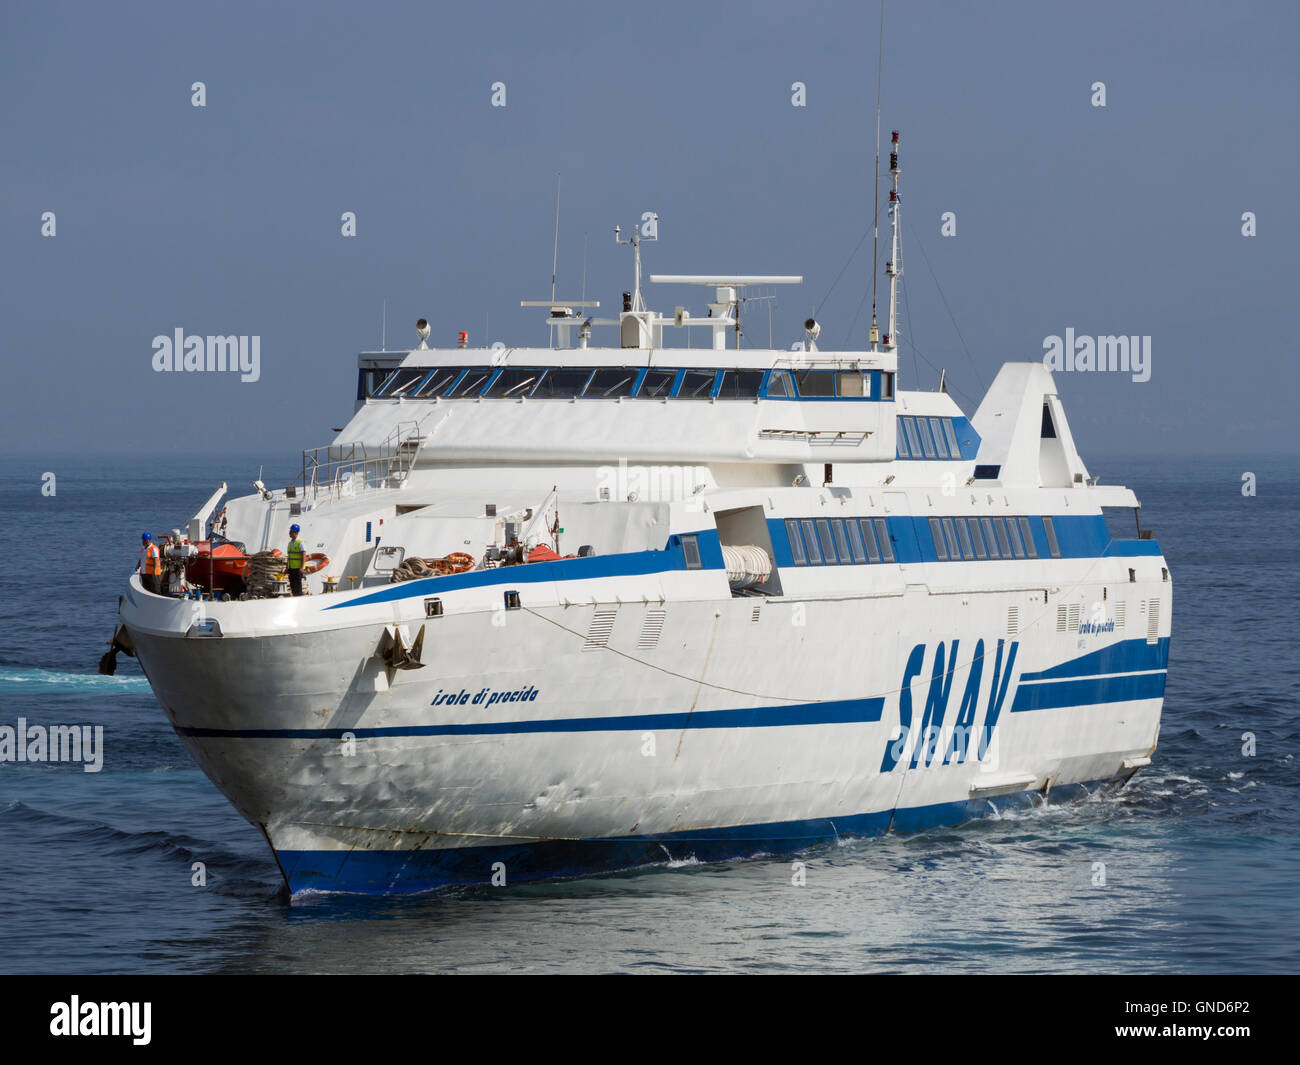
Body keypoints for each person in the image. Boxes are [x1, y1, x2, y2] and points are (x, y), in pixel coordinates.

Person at [286, 523, 306, 596]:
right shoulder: (290, 543)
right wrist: (287, 567)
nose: (289, 533)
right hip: (291, 568)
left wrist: (302, 567)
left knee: (298, 587)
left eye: (291, 532)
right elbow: (289, 557)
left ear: (295, 533)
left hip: (298, 569)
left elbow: (303, 555)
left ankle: (299, 600)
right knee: (293, 586)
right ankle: (295, 598)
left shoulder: (300, 542)